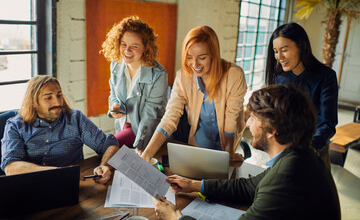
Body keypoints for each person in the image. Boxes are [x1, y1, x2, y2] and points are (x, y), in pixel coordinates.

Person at [153, 84, 341, 220]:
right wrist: (194, 185)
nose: (248, 124)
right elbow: (248, 187)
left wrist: (174, 217)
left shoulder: (287, 177)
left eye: (252, 118)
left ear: (272, 129)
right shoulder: (298, 156)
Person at [141, 26, 247, 162]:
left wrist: (228, 156)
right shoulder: (182, 77)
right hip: (198, 144)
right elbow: (170, 117)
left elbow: (231, 119)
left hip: (227, 142)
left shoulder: (234, 75)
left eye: (202, 58)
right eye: (189, 57)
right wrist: (147, 154)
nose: (194, 64)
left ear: (214, 55)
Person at [1, 75, 119, 184]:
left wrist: (105, 166)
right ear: (34, 103)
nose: (57, 102)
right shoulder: (15, 125)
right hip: (30, 186)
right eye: (48, 98)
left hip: (71, 187)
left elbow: (109, 145)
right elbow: (11, 167)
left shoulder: (75, 118)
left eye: (59, 95)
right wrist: (59, 172)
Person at [265, 22, 338, 168]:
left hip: (313, 150)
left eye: (284, 49)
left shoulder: (326, 76)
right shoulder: (279, 77)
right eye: (275, 51)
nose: (279, 56)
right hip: (282, 150)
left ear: (302, 46)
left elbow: (327, 123)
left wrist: (308, 147)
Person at [100, 16, 168, 151]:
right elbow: (113, 94)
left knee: (107, 148)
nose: (127, 51)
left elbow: (150, 117)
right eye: (123, 44)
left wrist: (141, 146)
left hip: (145, 132)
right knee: (107, 150)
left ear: (146, 48)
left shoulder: (159, 75)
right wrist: (114, 107)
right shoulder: (116, 64)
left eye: (134, 46)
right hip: (123, 126)